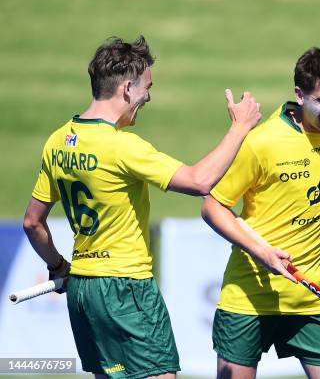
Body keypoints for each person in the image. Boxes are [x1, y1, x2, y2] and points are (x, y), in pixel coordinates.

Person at [22, 35, 276, 379]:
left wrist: (57, 266)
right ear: (127, 88)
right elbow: (199, 181)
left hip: (83, 291)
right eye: (147, 88)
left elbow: (32, 224)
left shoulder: (58, 140)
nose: (148, 98)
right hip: (127, 289)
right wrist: (240, 128)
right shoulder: (121, 147)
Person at [202, 48, 320, 379]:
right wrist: (263, 252)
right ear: (299, 95)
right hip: (248, 300)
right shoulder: (263, 142)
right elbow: (212, 205)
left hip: (314, 301)